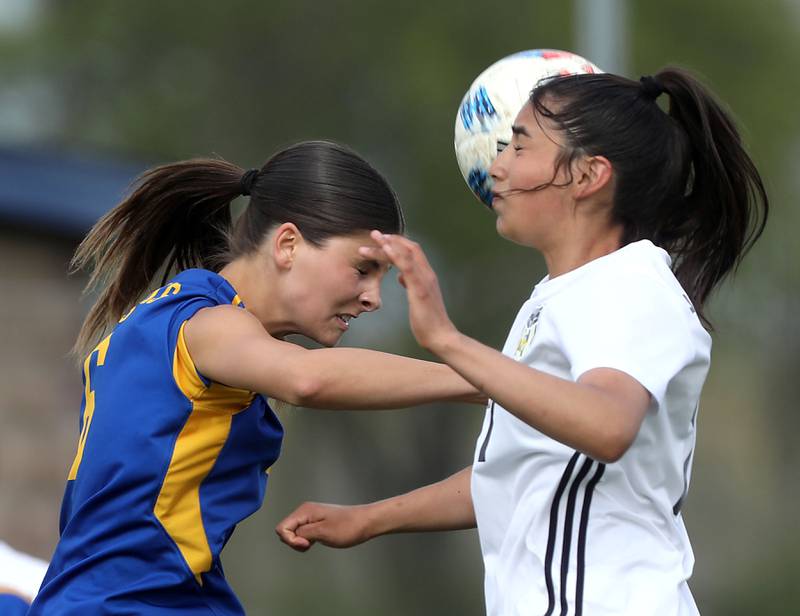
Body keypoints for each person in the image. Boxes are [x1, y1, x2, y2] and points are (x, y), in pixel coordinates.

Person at [277, 69, 769, 615]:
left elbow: (608, 426)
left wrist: (446, 339)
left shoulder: (631, 284)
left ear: (588, 176)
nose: (497, 166)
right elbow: (515, 473)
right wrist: (369, 519)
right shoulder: (561, 296)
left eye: (519, 143)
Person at [29, 140, 483, 615]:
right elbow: (307, 380)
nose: (374, 298)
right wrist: (489, 380)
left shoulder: (180, 314)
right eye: (362, 268)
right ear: (287, 244)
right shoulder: (204, 322)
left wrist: (368, 518)